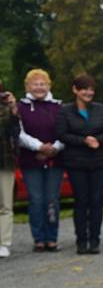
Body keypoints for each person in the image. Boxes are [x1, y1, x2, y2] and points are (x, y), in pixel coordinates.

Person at [56, 74, 103, 254]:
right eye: (84, 89)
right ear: (75, 90)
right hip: (76, 163)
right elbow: (62, 134)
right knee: (81, 201)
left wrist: (98, 140)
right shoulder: (65, 111)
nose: (88, 92)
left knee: (96, 201)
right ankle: (81, 241)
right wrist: (84, 141)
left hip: (99, 162)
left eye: (91, 89)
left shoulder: (101, 109)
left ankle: (95, 240)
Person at [17, 69, 65, 252]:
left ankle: (52, 237)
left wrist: (54, 148)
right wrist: (39, 147)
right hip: (31, 161)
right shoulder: (21, 107)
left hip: (55, 160)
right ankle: (38, 238)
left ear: (48, 86)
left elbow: (65, 130)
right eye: (35, 84)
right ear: (28, 86)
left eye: (42, 84)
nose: (39, 87)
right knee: (36, 200)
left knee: (52, 199)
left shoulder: (58, 106)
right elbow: (19, 133)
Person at [0, 83, 20, 258]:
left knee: (5, 204)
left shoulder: (6, 109)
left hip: (4, 160)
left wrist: (13, 106)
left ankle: (4, 242)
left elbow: (16, 131)